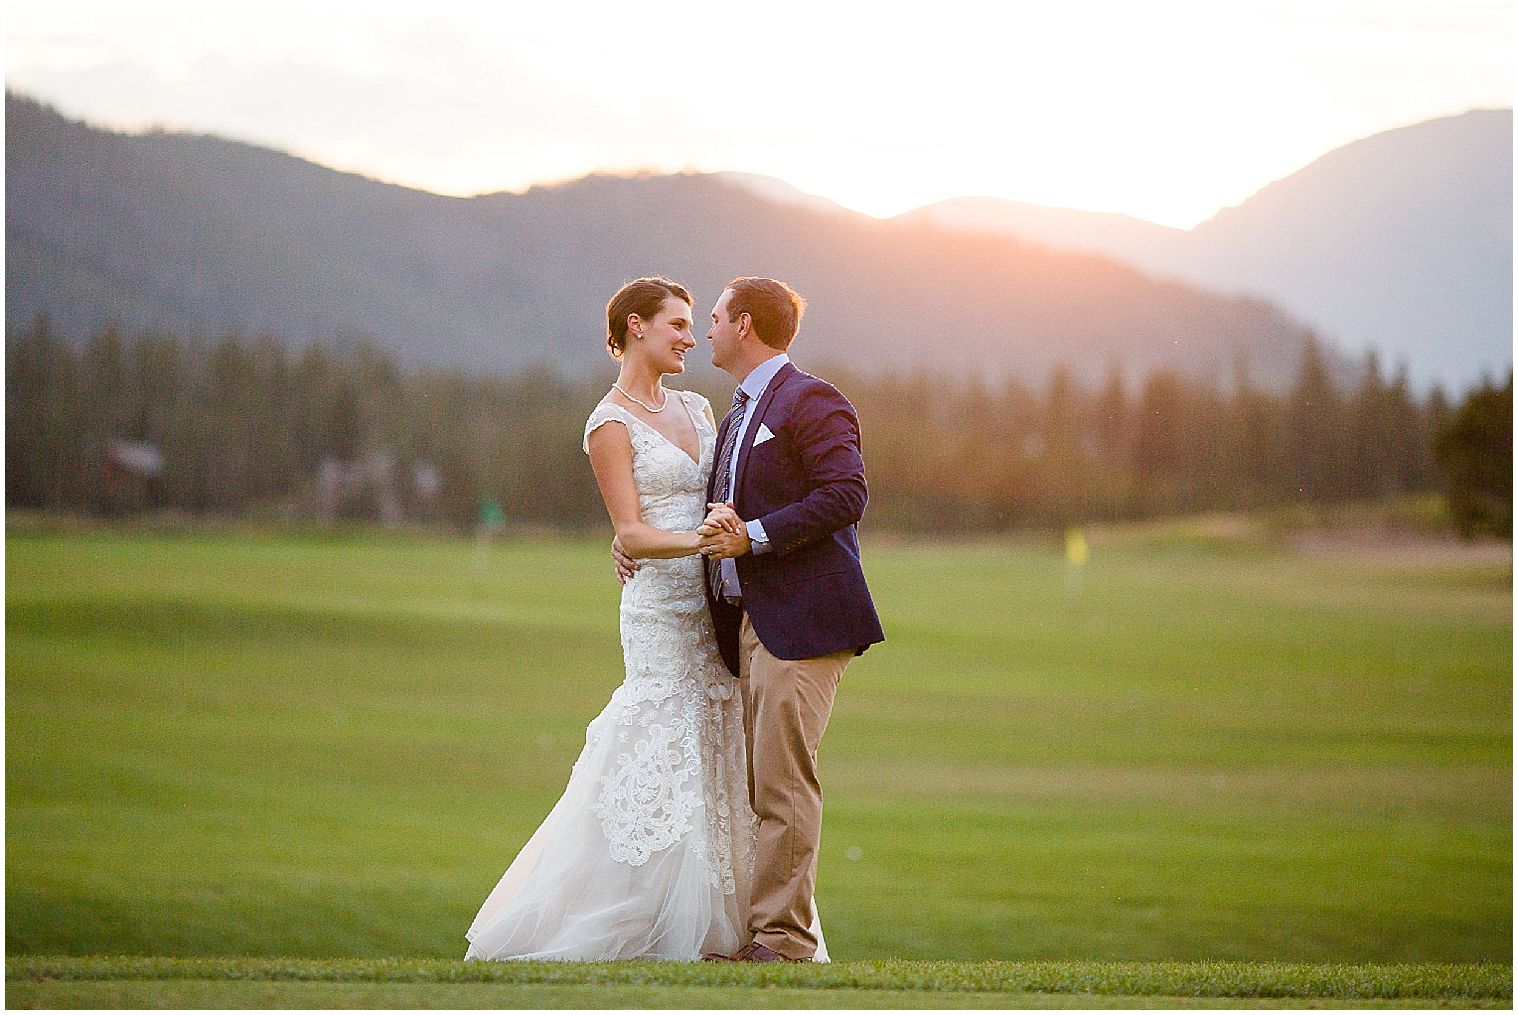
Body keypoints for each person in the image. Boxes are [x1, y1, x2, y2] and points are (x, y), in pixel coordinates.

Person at [465, 277, 800, 961]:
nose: (689, 337)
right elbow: (634, 532)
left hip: (716, 606)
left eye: (693, 324)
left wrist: (733, 542)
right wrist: (703, 540)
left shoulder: (700, 408)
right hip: (658, 608)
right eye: (677, 324)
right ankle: (641, 917)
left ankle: (739, 926)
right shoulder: (607, 423)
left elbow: (723, 493)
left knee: (720, 741)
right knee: (661, 737)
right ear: (637, 326)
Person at [619, 277, 885, 963]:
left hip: (804, 620)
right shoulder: (736, 416)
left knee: (783, 783)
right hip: (749, 625)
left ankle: (784, 940)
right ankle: (765, 931)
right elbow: (702, 513)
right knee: (761, 786)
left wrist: (755, 535)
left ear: (744, 324)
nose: (703, 332)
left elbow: (847, 493)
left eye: (711, 319)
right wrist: (631, 536)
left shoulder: (809, 398)